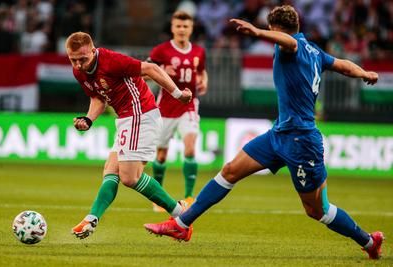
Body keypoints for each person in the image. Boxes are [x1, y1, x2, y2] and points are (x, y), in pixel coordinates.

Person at [144, 5, 384, 259]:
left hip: (302, 142)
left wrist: (257, 32)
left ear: (275, 29)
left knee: (317, 210)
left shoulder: (292, 46)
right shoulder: (315, 50)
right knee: (229, 171)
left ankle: (368, 241)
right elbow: (343, 65)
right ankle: (182, 225)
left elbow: (287, 42)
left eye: (271, 31)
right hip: (279, 134)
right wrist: (363, 73)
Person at [66, 31, 192, 239]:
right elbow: (98, 98)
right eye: (73, 60)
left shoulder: (111, 61)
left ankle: (180, 214)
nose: (79, 65)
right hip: (127, 119)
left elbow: (151, 68)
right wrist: (88, 119)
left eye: (83, 59)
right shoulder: (79, 72)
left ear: (93, 50)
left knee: (129, 177)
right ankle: (92, 218)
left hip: (140, 114)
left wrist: (178, 94)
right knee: (111, 170)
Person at [148, 10, 208, 212]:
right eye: (178, 26)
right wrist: (162, 72)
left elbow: (201, 72)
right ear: (172, 28)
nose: (182, 30)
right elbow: (145, 73)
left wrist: (203, 82)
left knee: (190, 147)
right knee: (162, 155)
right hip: (165, 108)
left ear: (191, 29)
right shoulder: (161, 51)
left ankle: (190, 196)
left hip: (188, 106)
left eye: (186, 26)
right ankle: (158, 197)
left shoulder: (199, 51)